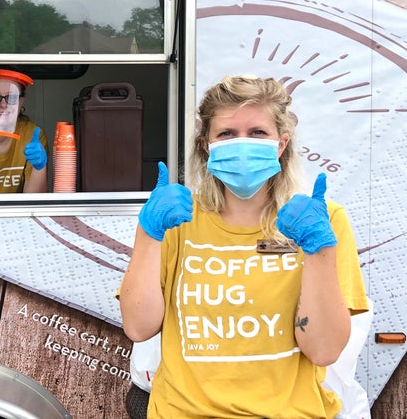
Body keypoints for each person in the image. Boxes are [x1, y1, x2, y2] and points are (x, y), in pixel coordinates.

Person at [119, 75, 368, 418]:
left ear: (281, 144)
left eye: (257, 132)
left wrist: (320, 251)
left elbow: (324, 351)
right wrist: (148, 234)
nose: (242, 144)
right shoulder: (176, 220)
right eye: (226, 134)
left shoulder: (322, 222)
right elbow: (138, 327)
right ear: (206, 145)